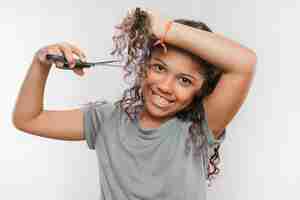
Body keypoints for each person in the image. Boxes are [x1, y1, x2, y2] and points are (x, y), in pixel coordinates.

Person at [12, 8, 256, 200]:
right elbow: (28, 119)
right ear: (143, 67)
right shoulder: (106, 119)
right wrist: (40, 63)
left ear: (201, 91)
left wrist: (164, 29)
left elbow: (244, 63)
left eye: (184, 80)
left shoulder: (199, 127)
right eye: (159, 68)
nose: (165, 86)